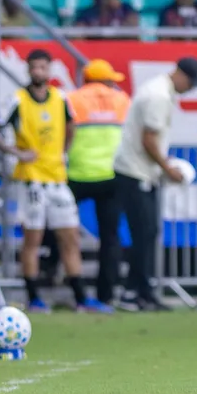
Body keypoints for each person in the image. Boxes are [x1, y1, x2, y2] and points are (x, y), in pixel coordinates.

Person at [0, 50, 109, 313]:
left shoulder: (61, 99)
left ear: (49, 70)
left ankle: (81, 297)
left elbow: (71, 125)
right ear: (28, 70)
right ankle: (34, 296)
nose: (39, 72)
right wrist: (16, 153)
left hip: (57, 178)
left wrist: (63, 152)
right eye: (35, 68)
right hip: (31, 180)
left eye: (43, 67)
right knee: (34, 239)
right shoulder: (16, 100)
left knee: (70, 237)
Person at [113, 57, 197, 312]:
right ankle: (136, 292)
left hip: (141, 171)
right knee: (144, 233)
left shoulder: (158, 90)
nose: (191, 89)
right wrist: (168, 169)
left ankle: (140, 291)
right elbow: (149, 140)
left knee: (147, 233)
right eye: (192, 83)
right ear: (181, 74)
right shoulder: (159, 96)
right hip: (135, 171)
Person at [66, 59, 130, 306]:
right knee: (110, 238)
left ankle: (53, 270)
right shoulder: (122, 99)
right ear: (104, 80)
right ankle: (106, 294)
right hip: (111, 176)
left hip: (77, 174)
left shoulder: (71, 99)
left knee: (59, 229)